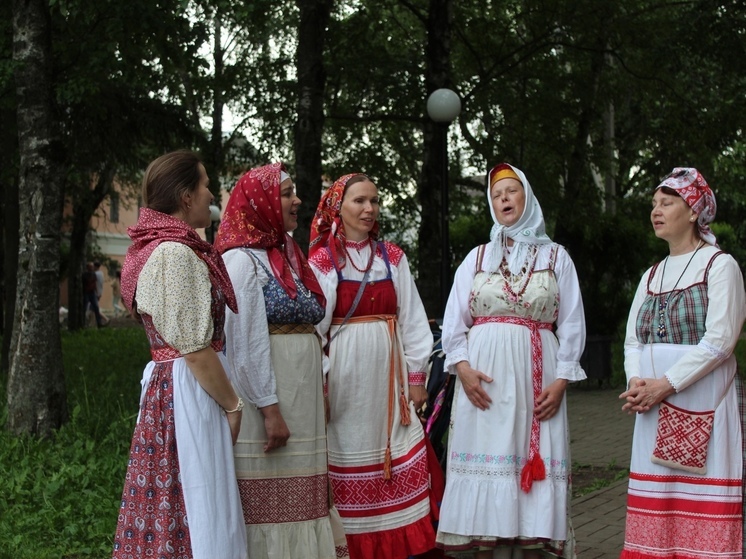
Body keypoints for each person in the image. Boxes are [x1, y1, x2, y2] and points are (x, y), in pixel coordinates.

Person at [435, 163, 587, 558]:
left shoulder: (557, 257)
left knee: (533, 464)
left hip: (541, 380)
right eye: (497, 193)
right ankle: (491, 546)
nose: (504, 198)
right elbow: (454, 322)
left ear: (527, 197)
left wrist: (562, 380)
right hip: (485, 385)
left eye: (512, 191)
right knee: (492, 460)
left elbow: (572, 323)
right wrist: (463, 370)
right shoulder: (477, 257)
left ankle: (531, 546)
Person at [112, 150, 247, 559]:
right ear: (186, 196)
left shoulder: (165, 246)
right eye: (205, 185)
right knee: (198, 496)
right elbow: (194, 349)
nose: (211, 195)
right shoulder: (174, 253)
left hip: (173, 388)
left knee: (175, 496)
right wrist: (233, 404)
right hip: (187, 392)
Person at [308, 173, 442, 559]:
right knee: (346, 457)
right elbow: (314, 332)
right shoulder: (324, 261)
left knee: (405, 449)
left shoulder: (393, 257)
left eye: (374, 201)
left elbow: (415, 322)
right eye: (359, 201)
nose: (369, 209)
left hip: (390, 388)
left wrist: (418, 381)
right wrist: (322, 386)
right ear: (338, 207)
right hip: (346, 388)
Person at [215, 163, 342, 559]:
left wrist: (320, 381)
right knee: (271, 505)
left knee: (305, 499)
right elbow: (244, 344)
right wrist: (269, 409)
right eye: (287, 193)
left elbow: (311, 330)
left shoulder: (287, 254)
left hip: (299, 395)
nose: (297, 200)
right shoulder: (241, 261)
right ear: (261, 203)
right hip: (269, 398)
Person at [618, 167, 746, 559]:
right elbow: (632, 339)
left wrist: (665, 384)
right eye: (654, 204)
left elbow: (721, 340)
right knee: (657, 509)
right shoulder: (651, 274)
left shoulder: (719, 265)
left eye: (667, 202)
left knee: (700, 507)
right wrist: (638, 383)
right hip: (653, 409)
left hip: (703, 403)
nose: (656, 210)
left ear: (693, 211)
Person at [82, 261, 107, 328]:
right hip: (86, 292)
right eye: (91, 267)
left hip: (92, 293)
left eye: (92, 267)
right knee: (84, 308)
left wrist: (96, 292)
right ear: (88, 268)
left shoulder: (94, 274)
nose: (92, 268)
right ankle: (83, 323)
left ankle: (99, 323)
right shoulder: (84, 275)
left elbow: (95, 284)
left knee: (96, 307)